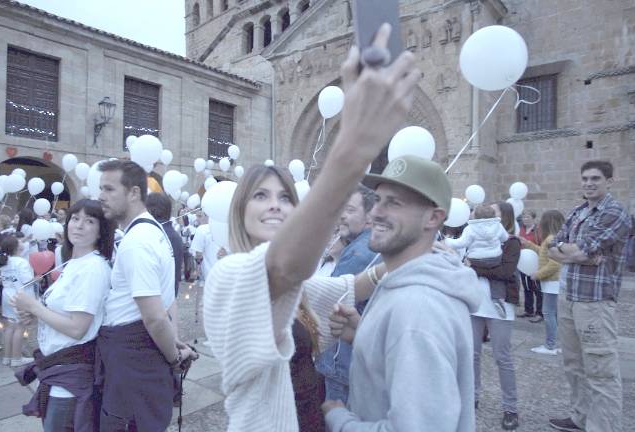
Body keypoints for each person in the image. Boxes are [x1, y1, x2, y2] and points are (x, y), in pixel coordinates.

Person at [203, 25, 429, 430]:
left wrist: (415, 251)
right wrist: (354, 148)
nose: (274, 204)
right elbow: (283, 267)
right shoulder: (229, 275)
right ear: (239, 211)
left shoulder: (299, 286)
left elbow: (355, 285)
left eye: (285, 197)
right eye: (260, 196)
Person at [323, 155, 482, 432]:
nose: (376, 213)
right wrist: (363, 332)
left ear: (433, 218)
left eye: (394, 202)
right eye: (379, 200)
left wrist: (339, 419)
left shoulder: (419, 310)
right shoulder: (407, 286)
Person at [96, 159, 197, 431]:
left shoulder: (138, 241)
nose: (101, 197)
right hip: (134, 354)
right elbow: (165, 304)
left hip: (133, 358)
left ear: (133, 193)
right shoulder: (148, 232)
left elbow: (153, 317)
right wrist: (173, 344)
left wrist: (173, 358)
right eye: (100, 189)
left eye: (108, 189)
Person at [12, 199, 114, 432]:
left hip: (70, 375)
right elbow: (65, 312)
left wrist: (35, 307)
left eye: (89, 221)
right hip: (57, 370)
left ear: (100, 231)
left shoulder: (92, 268)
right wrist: (35, 314)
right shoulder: (73, 263)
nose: (79, 225)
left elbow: (78, 328)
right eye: (75, 218)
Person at [548, 160, 631, 432]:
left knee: (600, 368)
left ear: (609, 181)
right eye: (585, 178)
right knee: (573, 364)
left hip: (594, 302)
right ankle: (579, 418)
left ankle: (603, 426)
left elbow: (581, 250)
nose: (589, 183)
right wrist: (575, 253)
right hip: (568, 297)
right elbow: (552, 248)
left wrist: (573, 252)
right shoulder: (578, 211)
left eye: (595, 178)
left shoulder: (615, 212)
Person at [315, 184, 379, 404]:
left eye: (350, 210)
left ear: (369, 216)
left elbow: (328, 302)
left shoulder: (361, 251)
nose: (342, 216)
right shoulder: (365, 245)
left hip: (341, 361)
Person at [468, 202, 521, 430]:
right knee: (471, 355)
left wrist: (474, 267)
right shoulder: (475, 240)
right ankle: (472, 396)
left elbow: (505, 272)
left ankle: (510, 408)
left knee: (502, 357)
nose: (488, 217)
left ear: (504, 218)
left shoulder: (511, 242)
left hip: (499, 305)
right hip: (474, 303)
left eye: (494, 213)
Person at [446, 204, 510, 317]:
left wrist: (447, 241)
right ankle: (497, 299)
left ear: (475, 215)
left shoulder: (470, 228)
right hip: (495, 258)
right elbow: (505, 238)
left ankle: (466, 296)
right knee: (495, 279)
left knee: (467, 272)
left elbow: (461, 243)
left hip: (476, 259)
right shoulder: (498, 226)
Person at [523, 210, 565, 355]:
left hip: (552, 282)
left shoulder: (551, 238)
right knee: (554, 314)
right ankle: (558, 344)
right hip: (552, 282)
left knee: (549, 314)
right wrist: (528, 244)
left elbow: (555, 263)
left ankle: (550, 345)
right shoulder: (553, 238)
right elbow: (543, 252)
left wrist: (537, 274)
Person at [0, 235, 35, 367]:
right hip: (20, 296)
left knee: (9, 326)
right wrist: (38, 278)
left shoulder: (4, 261)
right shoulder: (21, 262)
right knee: (20, 327)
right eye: (19, 242)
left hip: (7, 295)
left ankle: (7, 357)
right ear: (17, 247)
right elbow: (27, 280)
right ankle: (17, 358)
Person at [145, 192, 184, 298]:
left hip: (153, 300)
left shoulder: (152, 235)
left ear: (149, 210)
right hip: (169, 297)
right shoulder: (175, 236)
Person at [518, 210, 543, 321]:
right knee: (526, 287)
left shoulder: (538, 231)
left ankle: (539, 313)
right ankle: (528, 310)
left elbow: (541, 247)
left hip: (534, 262)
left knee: (537, 288)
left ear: (533, 218)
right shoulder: (521, 230)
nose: (525, 219)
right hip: (523, 262)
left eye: (527, 217)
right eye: (524, 217)